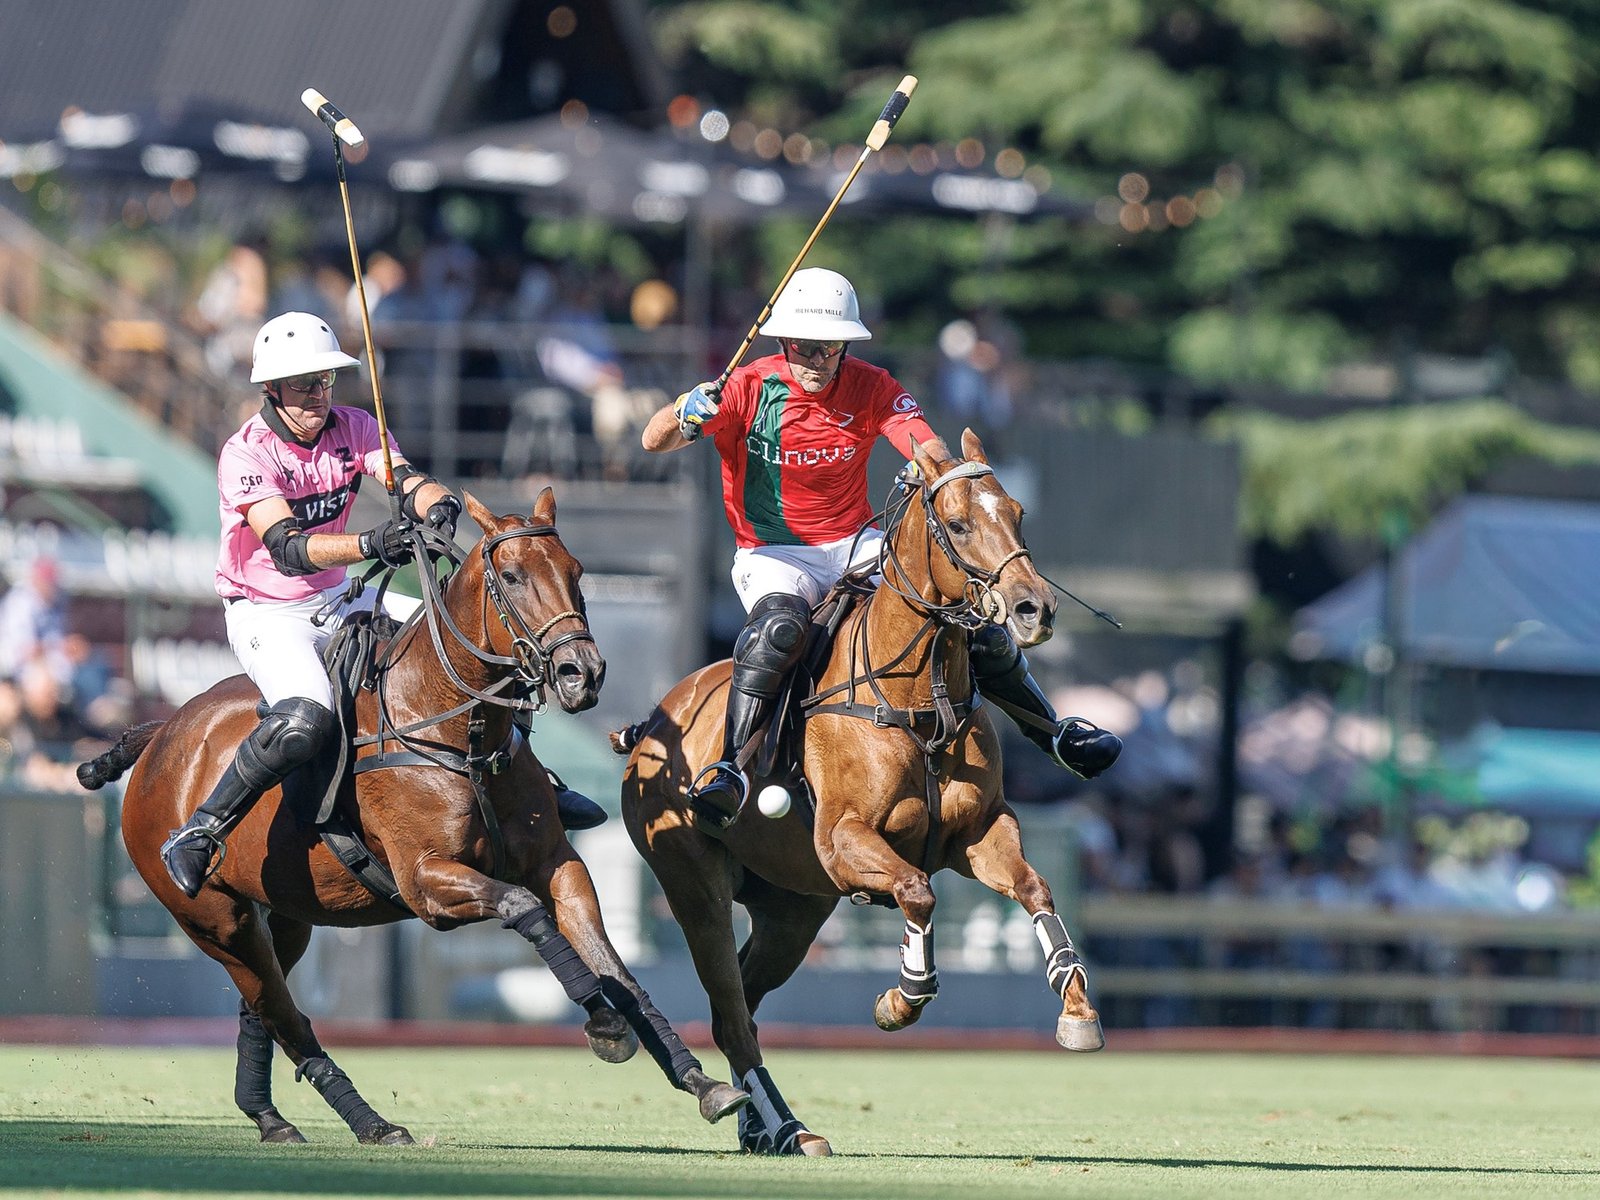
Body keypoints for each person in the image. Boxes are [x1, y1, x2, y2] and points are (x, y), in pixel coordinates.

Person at [639, 267, 1121, 827]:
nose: (817, 362)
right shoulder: (746, 388)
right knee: (780, 631)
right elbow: (654, 440)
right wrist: (684, 412)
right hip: (772, 552)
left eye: (830, 350)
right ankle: (731, 767)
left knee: (966, 618)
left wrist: (950, 478)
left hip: (855, 542)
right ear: (784, 342)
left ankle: (1053, 733)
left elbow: (927, 448)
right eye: (806, 348)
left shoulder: (872, 387)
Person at [159, 312, 602, 900]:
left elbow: (407, 479)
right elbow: (289, 549)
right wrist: (370, 543)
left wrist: (436, 506)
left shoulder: (354, 425)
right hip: (267, 609)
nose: (318, 397)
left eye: (324, 382)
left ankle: (535, 775)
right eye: (303, 386)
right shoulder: (245, 455)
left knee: (469, 645)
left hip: (338, 595)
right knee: (304, 719)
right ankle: (202, 830)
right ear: (270, 390)